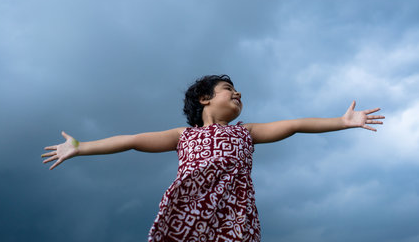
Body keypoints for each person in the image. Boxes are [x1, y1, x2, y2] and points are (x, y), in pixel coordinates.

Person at [42, 74, 384, 241]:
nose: (237, 94)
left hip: (235, 213)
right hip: (190, 207)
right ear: (205, 98)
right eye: (228, 90)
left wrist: (342, 122)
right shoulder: (184, 136)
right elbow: (131, 141)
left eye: (239, 94)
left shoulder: (246, 132)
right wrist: (81, 146)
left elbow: (294, 125)